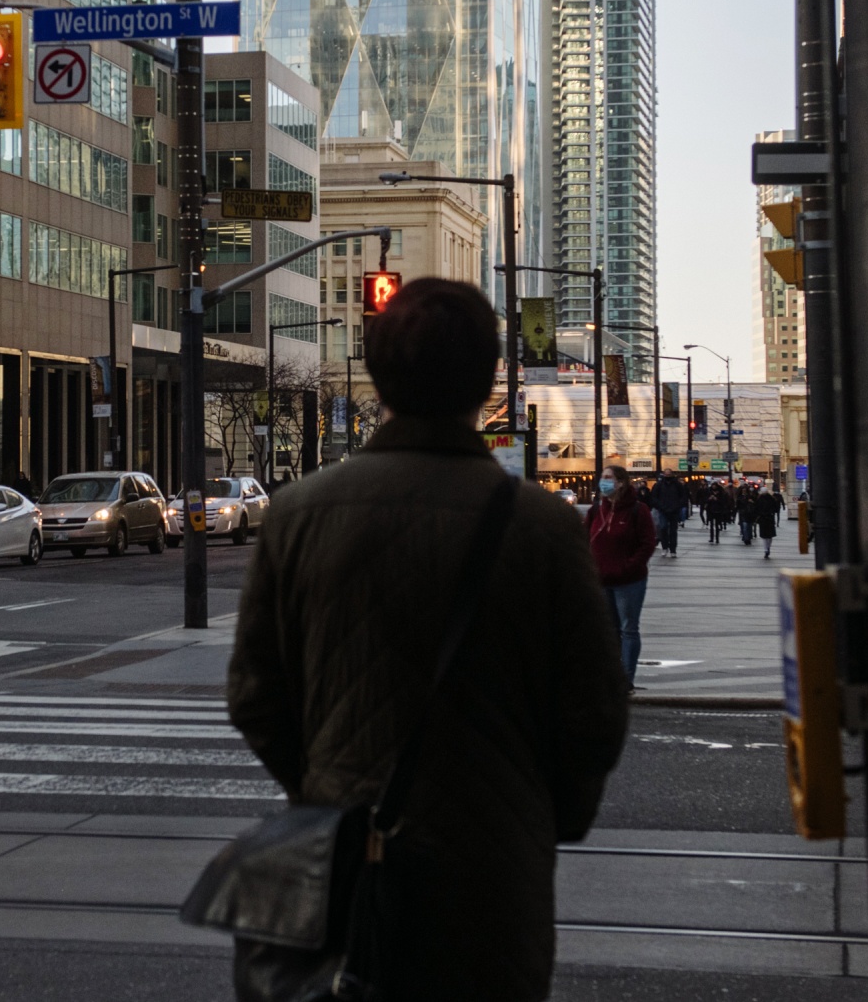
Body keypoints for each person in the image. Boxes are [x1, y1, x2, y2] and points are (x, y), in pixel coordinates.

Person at [228, 278, 629, 1002]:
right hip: (493, 878)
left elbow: (256, 696)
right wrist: (548, 817)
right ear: (485, 379)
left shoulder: (296, 514)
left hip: (345, 872)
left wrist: (323, 789)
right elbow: (595, 708)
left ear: (377, 375)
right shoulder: (544, 529)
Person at [588, 464, 657, 690]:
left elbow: (647, 543)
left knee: (628, 629)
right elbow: (583, 538)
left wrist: (629, 567)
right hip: (602, 580)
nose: (603, 482)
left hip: (629, 581)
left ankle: (626, 678)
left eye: (608, 478)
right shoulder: (596, 509)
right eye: (602, 478)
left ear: (621, 483)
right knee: (609, 631)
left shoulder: (638, 510)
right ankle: (610, 675)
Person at [649, 470, 688, 559]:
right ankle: (665, 547)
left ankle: (673, 549)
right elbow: (654, 497)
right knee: (663, 528)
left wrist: (677, 506)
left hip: (674, 511)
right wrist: (660, 506)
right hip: (663, 510)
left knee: (673, 530)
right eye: (666, 474)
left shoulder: (677, 485)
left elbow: (683, 497)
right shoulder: (659, 485)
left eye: (669, 474)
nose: (667, 476)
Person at [756, 487, 783, 560]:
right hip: (766, 519)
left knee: (767, 536)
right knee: (767, 536)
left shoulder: (770, 499)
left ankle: (767, 548)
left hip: (767, 519)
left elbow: (775, 508)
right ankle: (766, 549)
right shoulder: (761, 499)